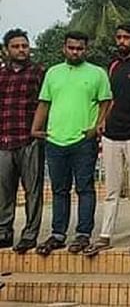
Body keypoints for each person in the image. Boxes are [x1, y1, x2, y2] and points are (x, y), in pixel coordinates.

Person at [32, 31, 112, 256]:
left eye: (80, 48)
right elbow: (44, 103)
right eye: (71, 48)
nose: (75, 52)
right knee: (59, 190)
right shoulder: (53, 73)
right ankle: (58, 234)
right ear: (64, 48)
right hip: (54, 140)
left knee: (85, 188)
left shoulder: (97, 73)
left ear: (86, 50)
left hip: (82, 141)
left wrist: (96, 127)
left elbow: (106, 102)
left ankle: (83, 234)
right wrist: (35, 128)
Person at [85, 23, 130, 257]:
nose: (122, 41)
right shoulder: (111, 66)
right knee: (112, 189)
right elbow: (107, 99)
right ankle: (105, 235)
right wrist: (102, 122)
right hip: (111, 135)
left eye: (126, 37)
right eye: (119, 37)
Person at [0, 29, 45, 254]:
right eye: (16, 46)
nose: (21, 50)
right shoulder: (1, 75)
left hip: (29, 140)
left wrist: (39, 130)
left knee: (33, 190)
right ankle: (4, 231)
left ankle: (30, 234)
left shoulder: (39, 73)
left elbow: (46, 104)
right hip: (4, 140)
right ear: (7, 49)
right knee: (4, 190)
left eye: (25, 46)